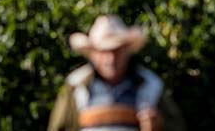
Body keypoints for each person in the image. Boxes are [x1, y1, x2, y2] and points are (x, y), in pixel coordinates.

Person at [48, 15, 186, 131]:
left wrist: (159, 124)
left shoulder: (151, 85)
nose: (111, 59)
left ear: (127, 51)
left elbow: (177, 126)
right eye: (104, 51)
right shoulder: (76, 85)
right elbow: (58, 127)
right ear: (93, 53)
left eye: (117, 50)